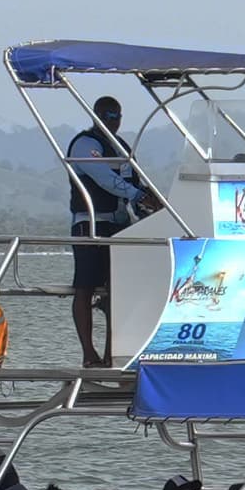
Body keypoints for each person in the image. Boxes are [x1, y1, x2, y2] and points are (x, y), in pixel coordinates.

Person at [64, 94, 162, 370]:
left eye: (117, 117)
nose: (113, 122)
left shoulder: (122, 147)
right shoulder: (84, 144)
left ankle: (112, 354)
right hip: (90, 224)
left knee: (116, 289)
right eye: (108, 117)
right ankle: (88, 354)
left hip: (119, 226)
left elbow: (134, 180)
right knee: (84, 287)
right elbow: (106, 180)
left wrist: (149, 203)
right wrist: (138, 195)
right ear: (97, 117)